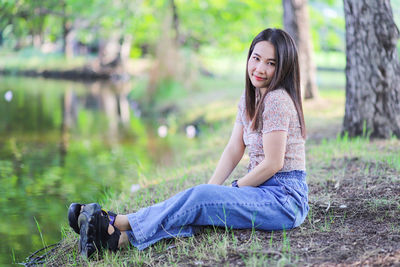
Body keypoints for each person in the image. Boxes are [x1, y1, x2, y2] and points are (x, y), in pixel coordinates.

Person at [67, 28, 309, 258]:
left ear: (283, 67)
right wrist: (213, 190)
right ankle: (117, 240)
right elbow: (234, 149)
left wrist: (235, 188)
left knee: (201, 200)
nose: (260, 68)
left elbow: (273, 164)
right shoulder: (250, 97)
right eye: (256, 58)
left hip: (283, 200)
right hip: (262, 193)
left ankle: (118, 221)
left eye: (271, 63)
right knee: (201, 203)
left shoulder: (277, 100)